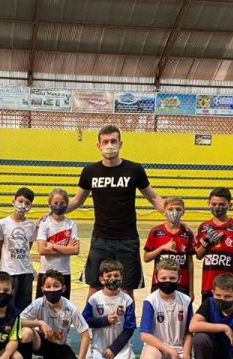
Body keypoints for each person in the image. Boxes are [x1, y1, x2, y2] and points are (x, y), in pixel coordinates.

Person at [66, 124, 165, 298]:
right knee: (95, 286)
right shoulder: (90, 171)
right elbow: (76, 200)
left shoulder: (134, 169)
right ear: (99, 145)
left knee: (127, 288)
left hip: (128, 239)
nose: (109, 145)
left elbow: (153, 197)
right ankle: (91, 323)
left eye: (113, 141)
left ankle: (127, 325)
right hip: (100, 238)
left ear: (121, 143)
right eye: (105, 141)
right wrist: (55, 212)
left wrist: (171, 213)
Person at [19, 270, 91, 359]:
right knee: (26, 333)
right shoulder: (38, 303)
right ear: (42, 289)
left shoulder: (70, 308)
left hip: (61, 348)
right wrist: (39, 323)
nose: (52, 289)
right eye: (48, 286)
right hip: (43, 343)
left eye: (56, 286)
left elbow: (85, 336)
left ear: (63, 288)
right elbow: (18, 321)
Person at [139, 260, 202, 359]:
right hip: (158, 348)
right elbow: (144, 335)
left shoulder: (185, 301)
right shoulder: (150, 301)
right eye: (164, 278)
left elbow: (188, 333)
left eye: (172, 278)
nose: (168, 281)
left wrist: (185, 356)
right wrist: (171, 351)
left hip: (179, 349)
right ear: (157, 278)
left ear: (179, 278)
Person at [81, 260, 135, 359]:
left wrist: (114, 349)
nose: (113, 279)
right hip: (100, 348)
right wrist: (104, 320)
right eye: (109, 276)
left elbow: (130, 328)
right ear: (102, 279)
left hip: (119, 349)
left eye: (116, 276)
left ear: (121, 277)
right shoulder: (94, 299)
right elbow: (84, 320)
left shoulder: (127, 300)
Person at [194, 187, 233, 302]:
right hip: (208, 283)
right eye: (214, 204)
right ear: (208, 203)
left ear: (230, 205)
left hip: (228, 282)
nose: (217, 207)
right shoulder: (204, 227)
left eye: (222, 204)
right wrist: (206, 243)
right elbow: (198, 256)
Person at [143, 196, 195, 299]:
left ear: (183, 211)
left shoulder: (187, 233)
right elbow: (146, 258)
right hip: (160, 283)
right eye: (170, 209)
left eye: (178, 209)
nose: (174, 212)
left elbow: (190, 262)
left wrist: (191, 289)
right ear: (164, 211)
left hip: (182, 284)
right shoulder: (156, 232)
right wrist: (162, 248)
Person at [0, 187, 36, 312]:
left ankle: (22, 330)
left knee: (24, 307)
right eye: (20, 201)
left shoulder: (31, 225)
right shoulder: (3, 223)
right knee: (7, 304)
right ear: (13, 201)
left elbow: (28, 246)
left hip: (26, 271)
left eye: (27, 203)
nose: (23, 205)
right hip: (9, 271)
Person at [36, 188, 79, 299]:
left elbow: (75, 250)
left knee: (62, 306)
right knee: (42, 306)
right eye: (55, 203)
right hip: (45, 271)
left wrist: (53, 246)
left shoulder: (71, 224)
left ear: (67, 204)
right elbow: (42, 250)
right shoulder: (45, 223)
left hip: (64, 272)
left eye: (62, 203)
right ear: (49, 204)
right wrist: (65, 249)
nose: (58, 205)